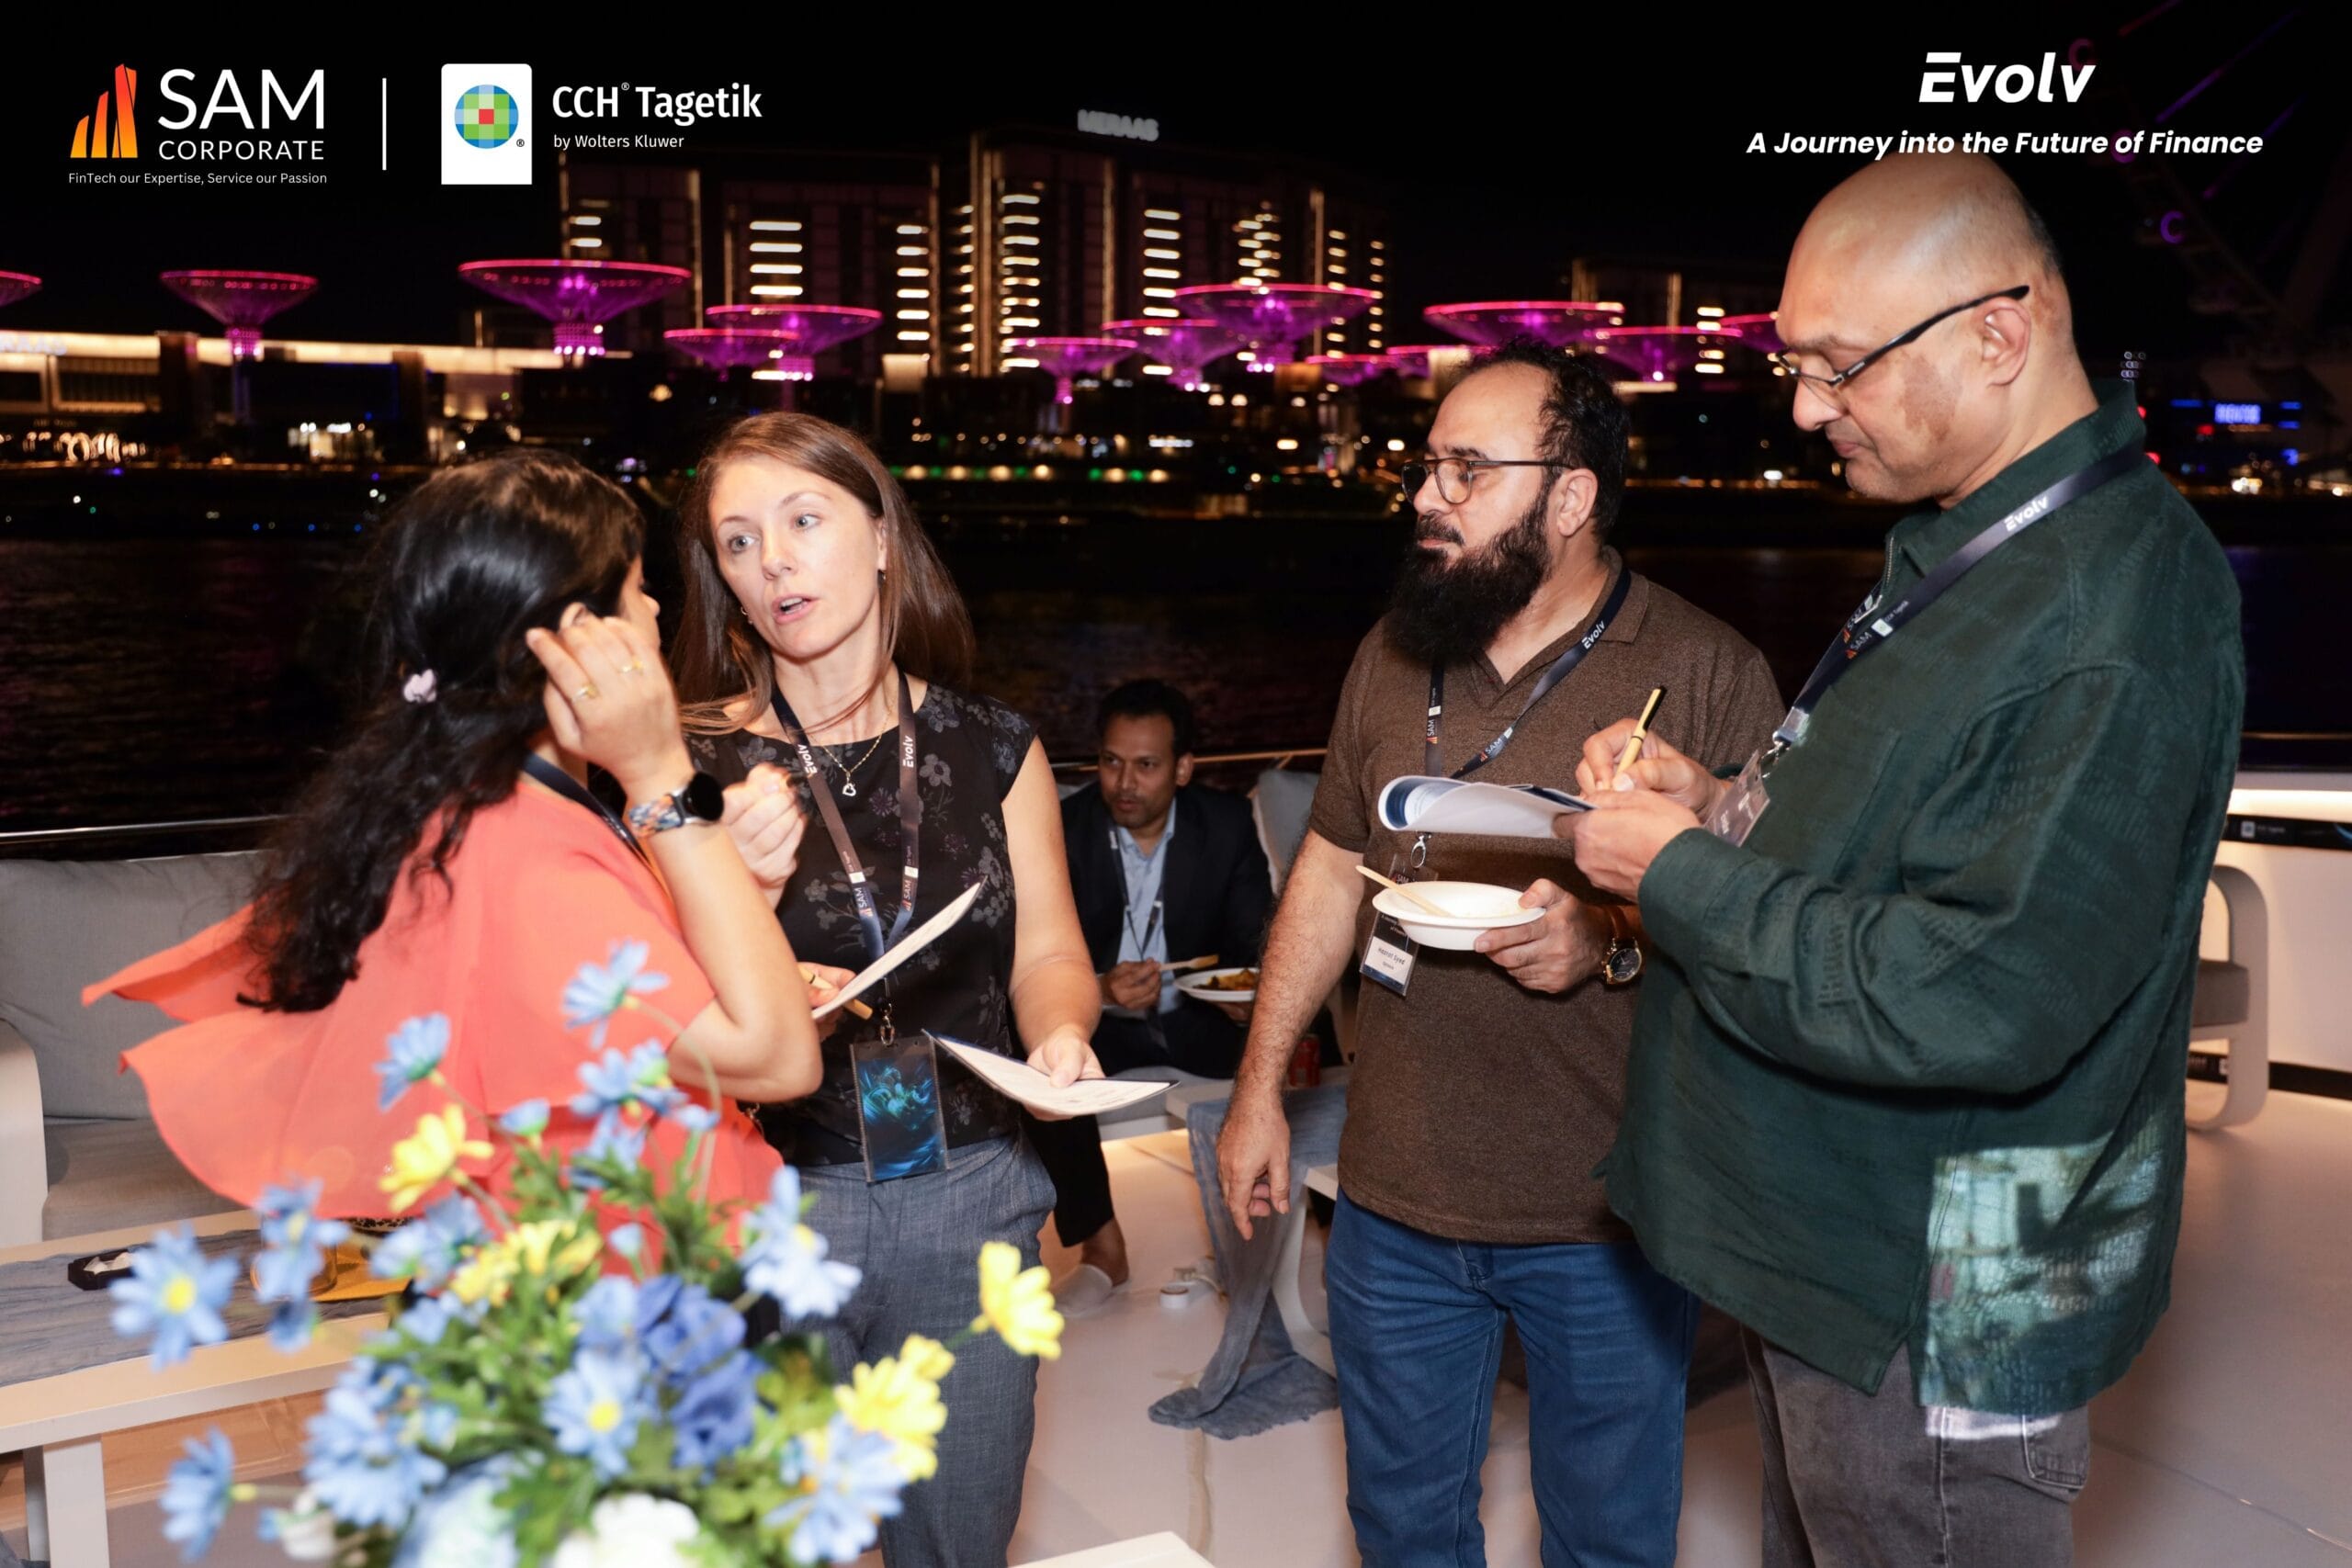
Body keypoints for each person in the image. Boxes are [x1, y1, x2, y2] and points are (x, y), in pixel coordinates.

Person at [1564, 154, 2245, 1568]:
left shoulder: (2113, 611)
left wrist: (1680, 873)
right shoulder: (1982, 549)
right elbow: (1911, 826)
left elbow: (1981, 991)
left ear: (2002, 330)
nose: (1807, 406)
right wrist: (1726, 801)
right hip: (1836, 1252)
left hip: (1934, 1297)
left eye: (1839, 365)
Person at [1216, 336, 1783, 1566]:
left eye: (1469, 470)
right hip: (1391, 1198)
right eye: (1428, 466)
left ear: (1570, 497)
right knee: (1406, 1530)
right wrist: (1261, 1086)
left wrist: (1611, 936)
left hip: (1608, 1214)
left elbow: (1771, 925)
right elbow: (1326, 863)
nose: (1428, 495)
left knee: (1608, 1541)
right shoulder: (1394, 650)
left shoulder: (1703, 671)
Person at [85, 451, 829, 1223]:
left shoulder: (468, 811)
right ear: (580, 641)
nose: (655, 613)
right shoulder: (531, 857)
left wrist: (738, 884)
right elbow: (776, 1058)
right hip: (634, 1281)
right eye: (638, 589)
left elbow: (628, 1015)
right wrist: (662, 772)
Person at [671, 411, 1102, 1568]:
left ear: (878, 539)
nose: (772, 565)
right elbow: (644, 1010)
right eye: (739, 541)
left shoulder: (994, 746)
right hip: (767, 1199)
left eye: (803, 521)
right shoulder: (685, 771)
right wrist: (749, 907)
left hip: (970, 1189)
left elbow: (1051, 953)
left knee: (957, 1540)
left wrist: (1060, 1036)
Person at [1027, 678, 1275, 1314]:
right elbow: (1032, 954)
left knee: (1295, 1022)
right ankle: (1100, 1246)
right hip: (1101, 1031)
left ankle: (1292, 1232)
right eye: (1111, 762)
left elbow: (1257, 944)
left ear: (1184, 768)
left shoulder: (1224, 823)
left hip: (1202, 1022)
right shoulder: (1066, 826)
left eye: (1145, 765)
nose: (1123, 783)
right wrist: (1101, 989)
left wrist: (1245, 992)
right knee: (1041, 1056)